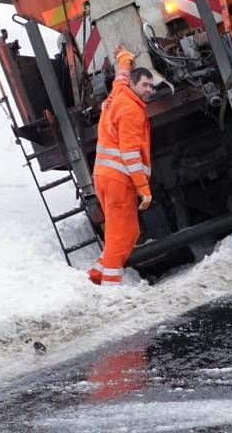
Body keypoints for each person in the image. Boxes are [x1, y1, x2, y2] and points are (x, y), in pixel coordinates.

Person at [88, 46, 154, 286]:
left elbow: (120, 78)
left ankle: (97, 275)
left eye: (151, 86)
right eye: (145, 85)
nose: (149, 90)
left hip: (106, 177)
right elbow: (130, 154)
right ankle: (111, 288)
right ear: (135, 85)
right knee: (119, 235)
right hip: (118, 179)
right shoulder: (131, 111)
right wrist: (144, 189)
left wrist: (124, 60)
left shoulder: (120, 93)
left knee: (131, 233)